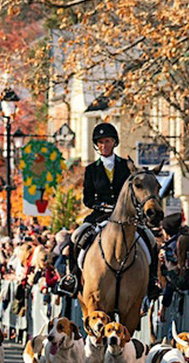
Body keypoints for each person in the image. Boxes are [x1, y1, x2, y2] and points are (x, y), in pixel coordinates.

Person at [58, 122, 160, 298]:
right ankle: (73, 277)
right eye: (100, 142)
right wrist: (100, 206)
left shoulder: (126, 166)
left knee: (150, 240)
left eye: (107, 141)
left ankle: (151, 281)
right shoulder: (91, 169)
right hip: (100, 214)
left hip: (125, 216)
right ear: (96, 145)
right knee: (75, 238)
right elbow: (87, 198)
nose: (103, 145)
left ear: (114, 142)